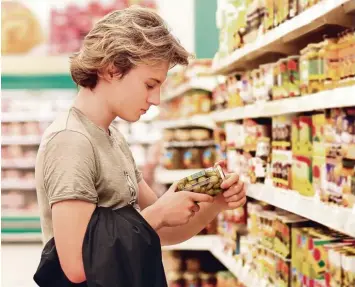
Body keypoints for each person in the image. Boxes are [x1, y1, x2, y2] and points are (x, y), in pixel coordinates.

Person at [35, 6, 246, 284]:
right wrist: (158, 214)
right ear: (112, 69)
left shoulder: (112, 138)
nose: (156, 99)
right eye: (150, 84)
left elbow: (163, 233)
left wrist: (215, 203)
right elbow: (77, 266)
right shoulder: (71, 141)